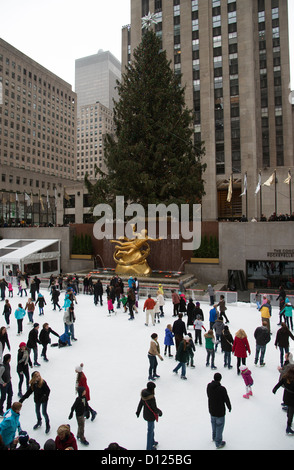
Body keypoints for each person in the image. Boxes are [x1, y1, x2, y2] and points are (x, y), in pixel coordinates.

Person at [206, 373, 232, 449]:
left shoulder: (209, 386)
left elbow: (208, 395)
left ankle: (214, 437)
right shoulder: (222, 389)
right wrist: (229, 407)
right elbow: (226, 399)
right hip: (220, 411)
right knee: (219, 426)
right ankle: (218, 442)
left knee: (213, 424)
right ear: (220, 379)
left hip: (212, 409)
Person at [136, 381, 162, 451]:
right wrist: (160, 412)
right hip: (151, 416)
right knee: (150, 431)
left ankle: (152, 442)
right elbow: (154, 408)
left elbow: (140, 403)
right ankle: (149, 448)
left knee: (151, 429)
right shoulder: (151, 397)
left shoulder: (144, 394)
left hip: (146, 415)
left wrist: (138, 411)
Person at [272, 365, 294, 435]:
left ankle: (288, 414)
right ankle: (288, 427)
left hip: (286, 397)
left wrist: (274, 389)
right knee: (291, 412)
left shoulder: (285, 377)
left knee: (290, 410)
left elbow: (279, 384)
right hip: (292, 399)